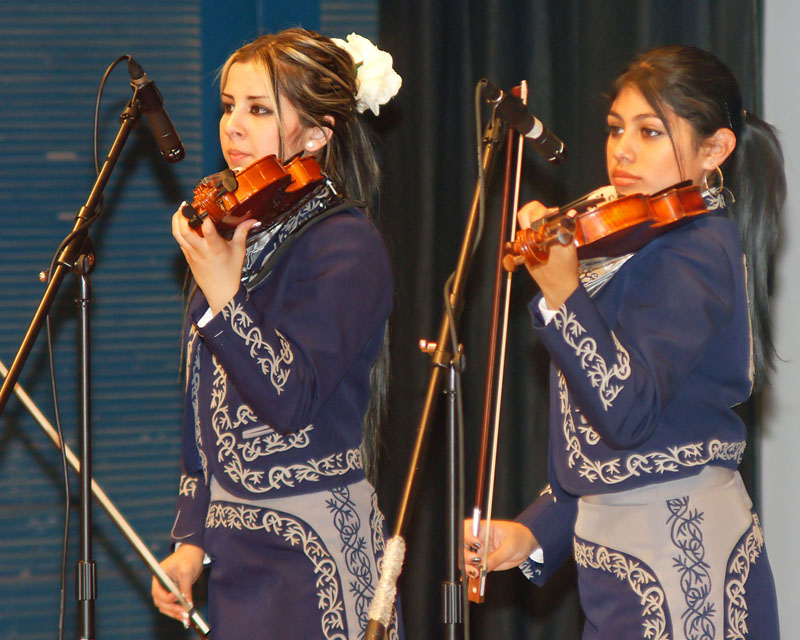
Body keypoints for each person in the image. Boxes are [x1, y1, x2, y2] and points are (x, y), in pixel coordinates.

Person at [465, 44, 784, 639]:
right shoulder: (627, 244)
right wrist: (534, 531)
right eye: (616, 130)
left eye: (651, 132)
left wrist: (564, 298)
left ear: (714, 150)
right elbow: (601, 455)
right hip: (614, 569)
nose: (624, 151)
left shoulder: (701, 249)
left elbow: (627, 413)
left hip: (683, 557)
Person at [150, 28, 404, 640]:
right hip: (238, 561)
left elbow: (288, 398)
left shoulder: (347, 244)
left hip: (314, 558)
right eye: (229, 106)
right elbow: (202, 415)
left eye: (259, 110)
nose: (232, 126)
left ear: (318, 133)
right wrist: (190, 541)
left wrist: (225, 298)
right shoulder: (243, 231)